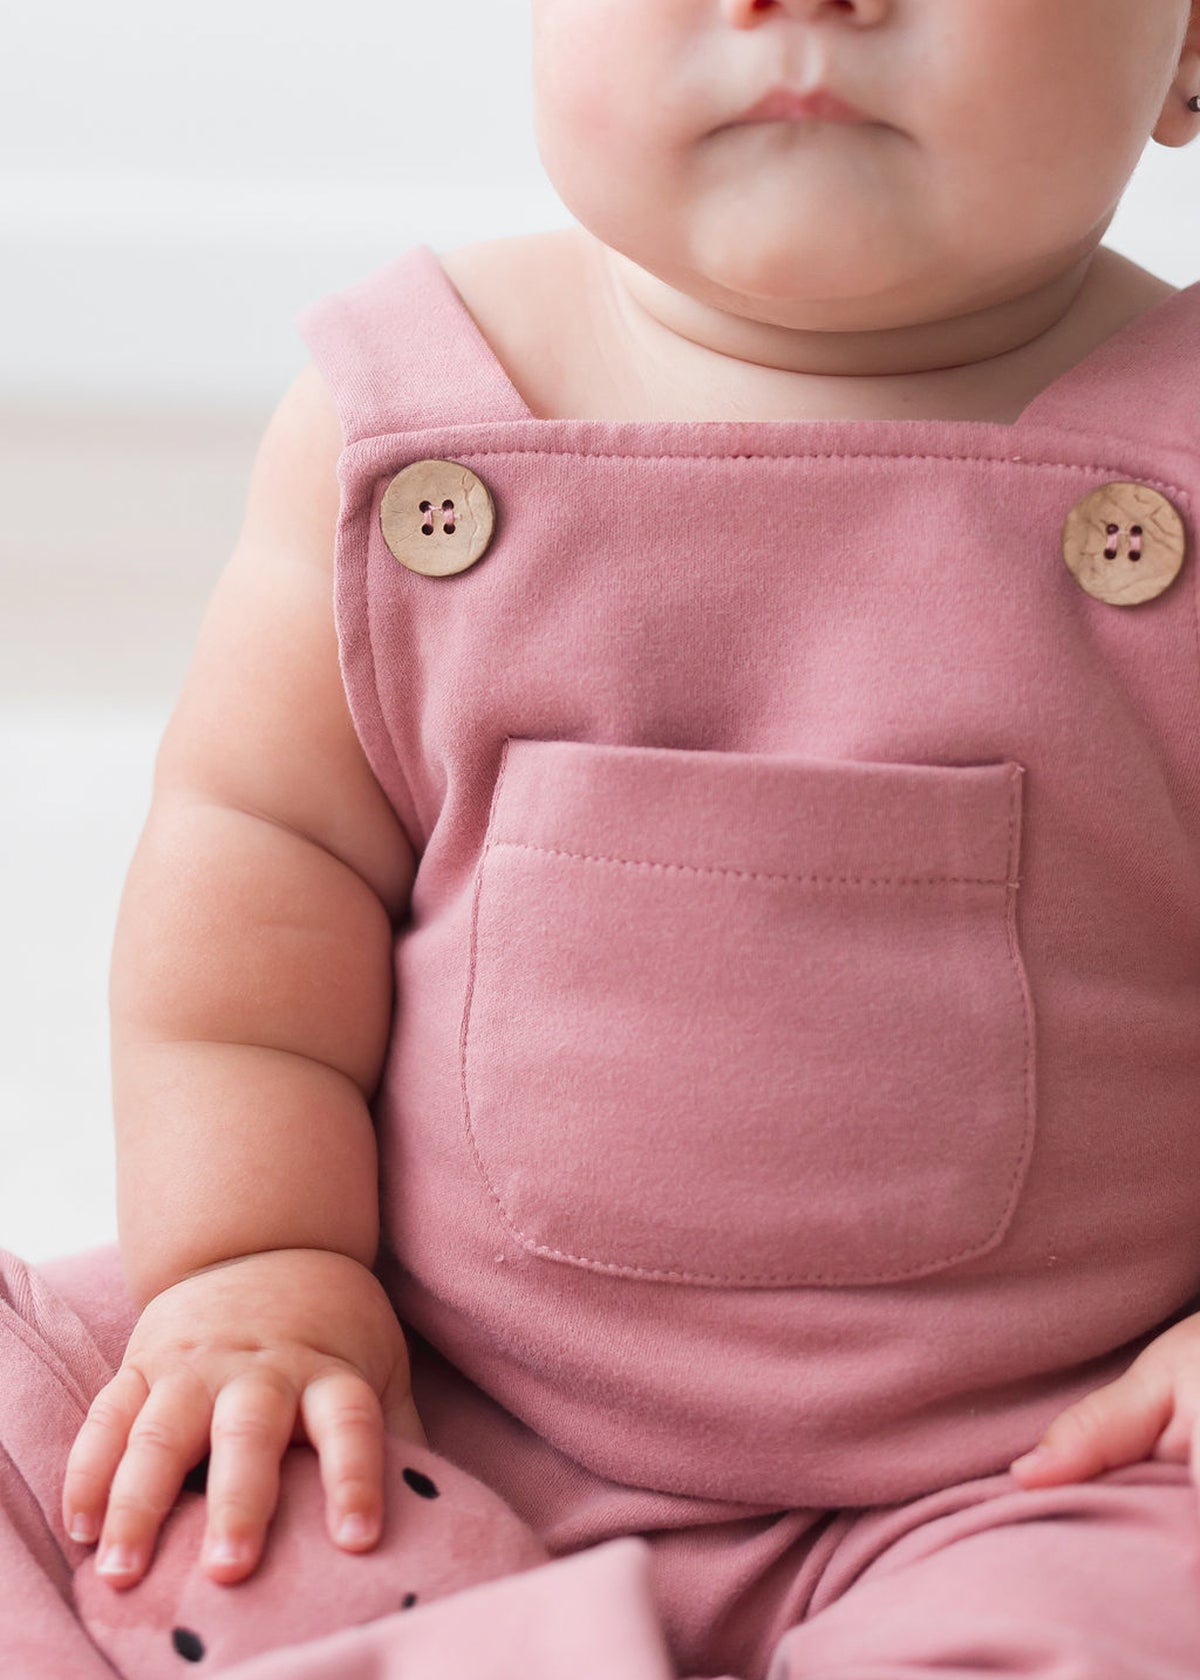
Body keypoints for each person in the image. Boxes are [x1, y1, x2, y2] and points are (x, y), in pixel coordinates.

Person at [5, 1, 1200, 1674]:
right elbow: (256, 876)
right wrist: (256, 1268)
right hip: (425, 1395)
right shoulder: (403, 425)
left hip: (1047, 1458)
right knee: (89, 1446)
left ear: (1188, 48)